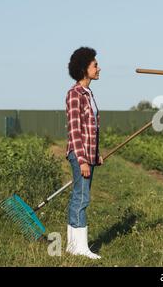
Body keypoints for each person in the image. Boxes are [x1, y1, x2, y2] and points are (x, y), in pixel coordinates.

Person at [65, 47, 103, 259]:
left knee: (80, 195)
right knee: (82, 197)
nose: (99, 68)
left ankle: (73, 246)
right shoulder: (74, 94)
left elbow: (92, 129)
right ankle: (80, 248)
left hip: (88, 155)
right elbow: (75, 130)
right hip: (79, 155)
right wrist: (82, 161)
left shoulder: (89, 93)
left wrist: (95, 155)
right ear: (84, 68)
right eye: (95, 64)